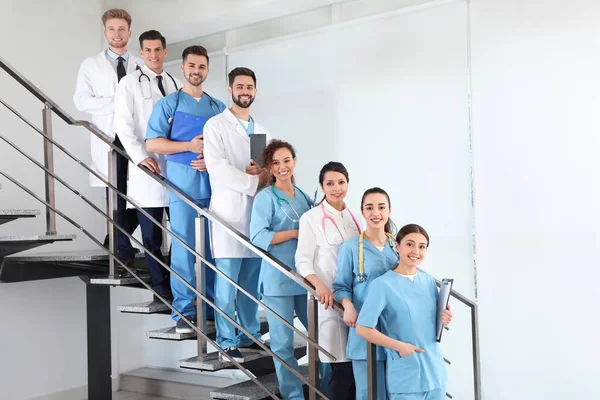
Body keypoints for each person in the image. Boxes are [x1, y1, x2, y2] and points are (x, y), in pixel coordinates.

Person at [146, 45, 226, 332]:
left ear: (207, 70)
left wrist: (212, 161)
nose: (196, 71)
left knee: (214, 252)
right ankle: (182, 312)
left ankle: (216, 310)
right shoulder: (169, 104)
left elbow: (236, 141)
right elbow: (152, 143)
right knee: (183, 251)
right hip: (182, 190)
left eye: (202, 66)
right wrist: (189, 147)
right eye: (192, 66)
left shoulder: (218, 107)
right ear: (182, 67)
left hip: (215, 191)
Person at [203, 67, 270, 361]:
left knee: (250, 282)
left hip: (256, 216)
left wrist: (263, 173)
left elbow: (270, 168)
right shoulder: (215, 126)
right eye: (240, 86)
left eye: (250, 87)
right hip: (228, 213)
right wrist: (255, 181)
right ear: (230, 90)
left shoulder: (262, 130)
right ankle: (226, 339)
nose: (245, 91)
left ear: (255, 91)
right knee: (226, 282)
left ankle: (249, 334)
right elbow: (218, 168)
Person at [113, 29, 181, 299]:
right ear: (141, 53)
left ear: (165, 51)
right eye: (148, 50)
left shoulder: (175, 82)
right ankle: (161, 288)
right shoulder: (129, 83)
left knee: (181, 234)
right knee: (152, 238)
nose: (153, 55)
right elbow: (123, 125)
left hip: (174, 168)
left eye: (158, 49)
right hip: (146, 169)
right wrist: (141, 157)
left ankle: (177, 285)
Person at [73, 9, 142, 266]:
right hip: (109, 137)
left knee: (142, 194)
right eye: (112, 29)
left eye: (121, 29)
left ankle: (114, 238)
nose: (117, 34)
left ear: (129, 33)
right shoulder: (91, 65)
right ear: (105, 33)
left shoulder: (140, 65)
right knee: (116, 193)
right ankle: (122, 250)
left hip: (135, 136)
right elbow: (81, 100)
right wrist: (117, 103)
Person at [356, 224, 453, 400]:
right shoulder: (382, 285)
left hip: (435, 371)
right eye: (410, 244)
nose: (416, 250)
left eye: (422, 246)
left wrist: (444, 318)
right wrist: (399, 346)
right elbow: (362, 328)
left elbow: (427, 321)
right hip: (406, 375)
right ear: (397, 246)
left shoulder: (429, 281)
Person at [249, 140, 312, 400]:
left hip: (306, 278)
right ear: (270, 168)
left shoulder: (305, 196)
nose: (283, 166)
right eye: (276, 163)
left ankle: (325, 386)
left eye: (287, 160)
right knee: (283, 344)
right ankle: (293, 395)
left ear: (294, 162)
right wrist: (295, 233)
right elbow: (257, 236)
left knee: (323, 335)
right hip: (278, 279)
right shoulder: (265, 198)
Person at [295, 161, 360, 400]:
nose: (336, 188)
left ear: (348, 184)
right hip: (328, 303)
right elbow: (302, 260)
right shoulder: (311, 218)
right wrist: (320, 286)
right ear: (322, 186)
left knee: (355, 367)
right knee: (336, 367)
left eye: (341, 182)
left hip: (353, 301)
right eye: (330, 183)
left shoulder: (355, 217)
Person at [333, 187, 399, 400]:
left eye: (381, 207)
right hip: (364, 330)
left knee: (396, 393)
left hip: (395, 330)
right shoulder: (350, 248)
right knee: (369, 394)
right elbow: (341, 285)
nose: (375, 213)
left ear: (389, 210)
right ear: (362, 211)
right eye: (369, 208)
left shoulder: (398, 248)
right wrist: (348, 305)